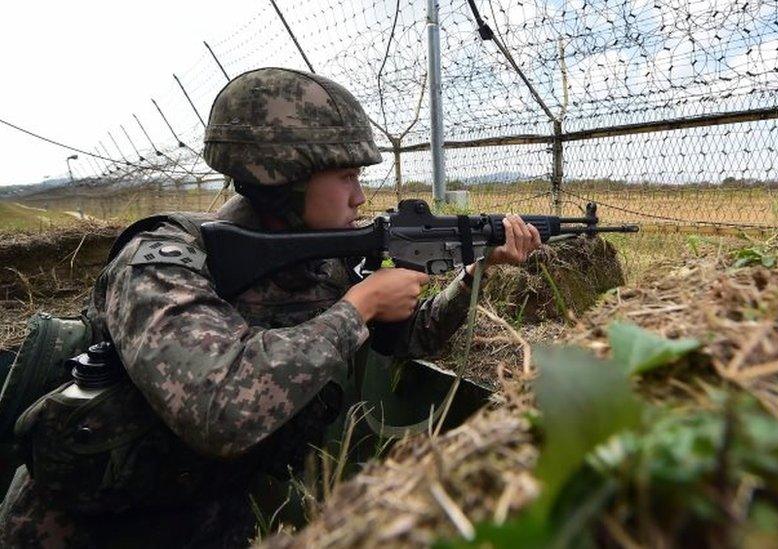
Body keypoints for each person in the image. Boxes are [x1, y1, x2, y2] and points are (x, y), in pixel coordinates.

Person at [0, 67, 541, 547]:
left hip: (212, 520)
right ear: (285, 180)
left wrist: (475, 272)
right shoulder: (162, 263)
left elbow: (410, 339)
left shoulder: (323, 258)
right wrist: (357, 307)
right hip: (86, 530)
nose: (359, 197)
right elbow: (219, 410)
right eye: (347, 177)